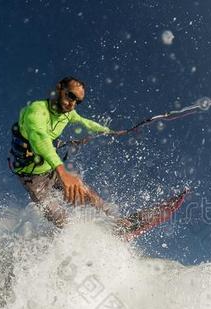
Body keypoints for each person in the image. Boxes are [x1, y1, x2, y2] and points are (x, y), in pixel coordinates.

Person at [9, 76, 126, 227]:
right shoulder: (36, 110)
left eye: (78, 101)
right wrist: (63, 172)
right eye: (71, 96)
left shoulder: (68, 114)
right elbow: (40, 138)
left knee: (88, 193)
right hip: (32, 178)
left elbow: (86, 122)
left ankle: (118, 223)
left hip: (51, 169)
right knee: (62, 221)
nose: (72, 104)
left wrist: (108, 131)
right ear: (59, 88)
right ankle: (75, 241)